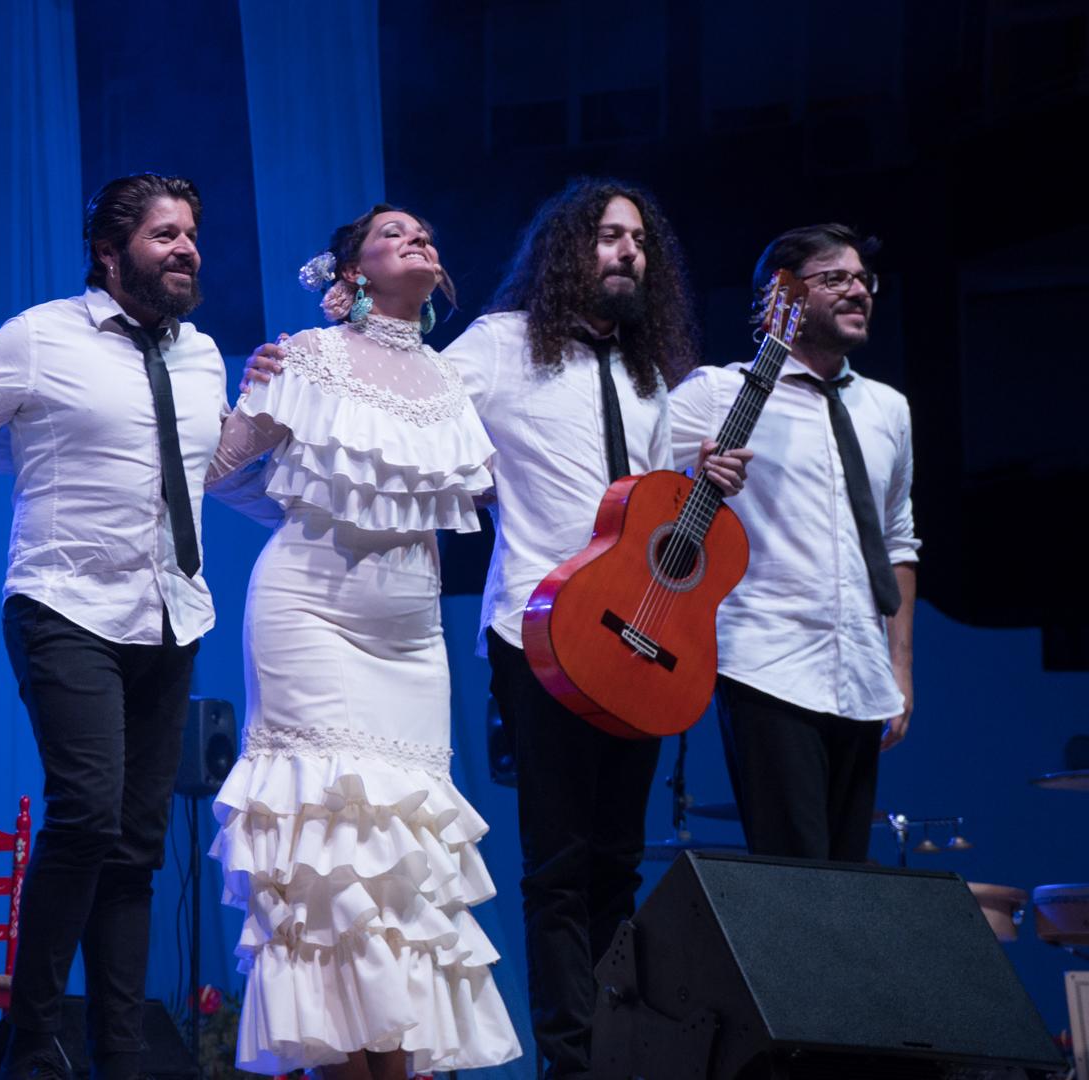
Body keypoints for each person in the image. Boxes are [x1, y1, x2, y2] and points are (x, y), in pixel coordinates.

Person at [244, 178, 747, 1080]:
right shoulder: (497, 348)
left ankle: (619, 1051)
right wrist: (322, 361)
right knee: (557, 865)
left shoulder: (648, 375)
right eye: (604, 237)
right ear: (564, 252)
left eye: (637, 240)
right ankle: (567, 1060)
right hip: (542, 632)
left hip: (638, 638)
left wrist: (702, 474)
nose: (625, 252)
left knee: (619, 863)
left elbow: (657, 500)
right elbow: (397, 396)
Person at [206, 205, 521, 1079]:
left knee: (406, 868)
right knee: (330, 855)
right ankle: (340, 1066)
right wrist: (234, 385)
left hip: (412, 637)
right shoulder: (306, 357)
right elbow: (217, 464)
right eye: (391, 233)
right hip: (308, 613)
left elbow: (506, 498)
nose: (417, 236)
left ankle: (402, 1065)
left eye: (425, 230)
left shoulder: (453, 386)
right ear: (350, 274)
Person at [0, 174, 228, 1080]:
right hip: (65, 603)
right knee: (85, 812)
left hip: (170, 613)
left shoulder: (202, 357)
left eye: (190, 234)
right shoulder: (41, 337)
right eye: (164, 235)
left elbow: (207, 466)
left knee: (136, 844)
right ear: (110, 255)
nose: (186, 249)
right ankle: (32, 1043)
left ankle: (119, 1053)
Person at [668, 224, 917, 863]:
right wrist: (697, 478)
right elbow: (637, 496)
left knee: (851, 877)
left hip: (861, 672)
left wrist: (900, 667)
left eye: (864, 280)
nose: (858, 290)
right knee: (796, 877)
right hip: (766, 663)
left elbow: (896, 540)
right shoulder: (716, 393)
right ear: (785, 294)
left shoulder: (887, 408)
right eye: (836, 278)